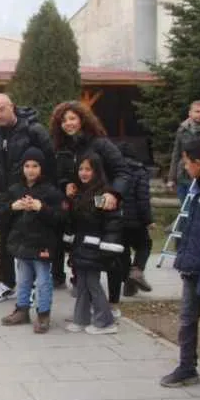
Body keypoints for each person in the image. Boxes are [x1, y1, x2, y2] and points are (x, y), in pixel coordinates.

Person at [50, 101, 130, 291]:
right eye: (63, 120)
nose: (68, 123)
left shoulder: (100, 143)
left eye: (72, 118)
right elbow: (63, 175)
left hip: (103, 201)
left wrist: (113, 194)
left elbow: (122, 172)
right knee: (80, 247)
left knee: (111, 251)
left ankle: (113, 302)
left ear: (83, 120)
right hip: (80, 204)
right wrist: (66, 184)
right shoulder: (64, 147)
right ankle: (82, 290)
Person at [0, 93, 55, 303]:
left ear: (11, 107)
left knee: (30, 237)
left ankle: (33, 285)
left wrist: (43, 191)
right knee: (5, 239)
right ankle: (7, 283)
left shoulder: (34, 130)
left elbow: (49, 161)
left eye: (1, 110)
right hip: (3, 196)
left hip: (28, 193)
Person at [160, 138, 200, 396]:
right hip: (193, 266)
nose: (185, 166)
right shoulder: (196, 187)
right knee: (187, 319)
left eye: (187, 162)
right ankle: (187, 367)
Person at [0, 148, 65, 334]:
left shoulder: (50, 191)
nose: (30, 170)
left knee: (43, 281)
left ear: (41, 168)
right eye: (27, 166)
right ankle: (22, 310)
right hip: (22, 243)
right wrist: (13, 207)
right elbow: (2, 215)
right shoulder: (15, 189)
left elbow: (60, 218)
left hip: (42, 244)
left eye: (35, 166)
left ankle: (43, 313)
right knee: (23, 279)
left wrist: (41, 208)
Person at [64, 154, 123, 335]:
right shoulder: (80, 192)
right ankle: (81, 318)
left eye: (88, 169)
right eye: (81, 169)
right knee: (81, 282)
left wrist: (106, 245)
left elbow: (108, 220)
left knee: (92, 283)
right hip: (81, 244)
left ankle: (105, 321)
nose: (83, 173)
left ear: (96, 171)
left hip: (94, 245)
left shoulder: (102, 194)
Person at [116, 142, 153, 297]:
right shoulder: (140, 172)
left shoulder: (113, 171)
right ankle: (137, 270)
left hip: (117, 219)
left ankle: (128, 284)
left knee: (123, 251)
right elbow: (143, 199)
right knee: (145, 244)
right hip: (136, 220)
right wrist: (148, 219)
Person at [167, 101, 200, 203]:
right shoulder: (182, 129)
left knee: (199, 213)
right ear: (190, 113)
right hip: (183, 176)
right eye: (197, 111)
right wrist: (171, 178)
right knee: (185, 211)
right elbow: (176, 154)